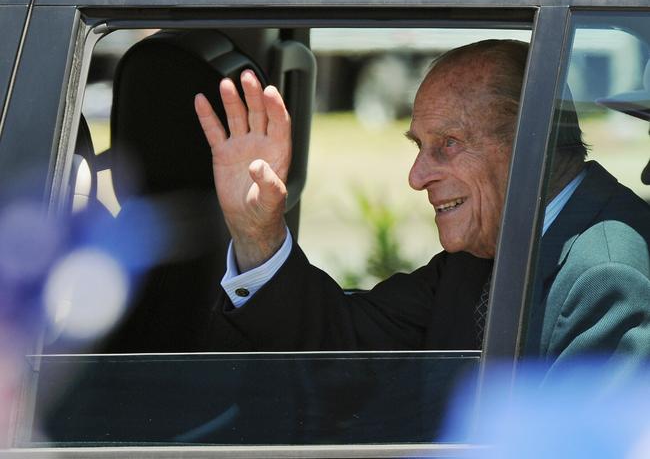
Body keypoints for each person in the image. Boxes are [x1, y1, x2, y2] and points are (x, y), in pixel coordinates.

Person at [193, 39, 650, 363]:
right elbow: (342, 349)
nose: (416, 177)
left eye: (448, 143)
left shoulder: (608, 278)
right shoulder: (486, 254)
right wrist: (259, 232)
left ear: (530, 142)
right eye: (418, 146)